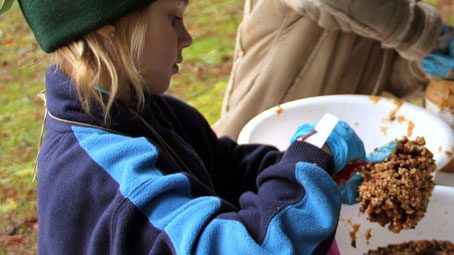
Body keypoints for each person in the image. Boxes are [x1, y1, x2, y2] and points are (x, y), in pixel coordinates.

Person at [1, 0, 369, 254]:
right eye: (173, 17)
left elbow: (225, 168)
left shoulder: (138, 109)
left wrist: (315, 168)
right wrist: (302, 175)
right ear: (106, 31)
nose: (188, 36)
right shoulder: (105, 176)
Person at [213, 0, 444, 140]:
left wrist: (424, 63)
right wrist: (419, 31)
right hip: (259, 138)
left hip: (333, 152)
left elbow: (387, 75)